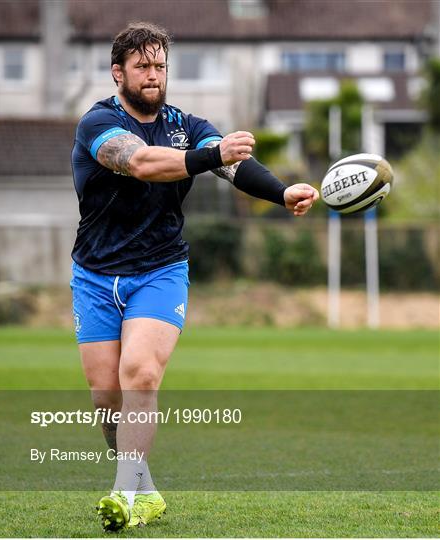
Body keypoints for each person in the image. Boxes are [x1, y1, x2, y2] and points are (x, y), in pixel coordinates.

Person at [70, 21, 319, 532]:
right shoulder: (98, 123)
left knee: (139, 373)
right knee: (105, 397)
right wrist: (212, 155)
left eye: (160, 66)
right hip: (94, 274)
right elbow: (140, 163)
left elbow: (235, 166)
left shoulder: (187, 124)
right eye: (142, 66)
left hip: (161, 269)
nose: (153, 75)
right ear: (118, 73)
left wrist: (282, 191)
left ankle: (124, 494)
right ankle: (147, 490)